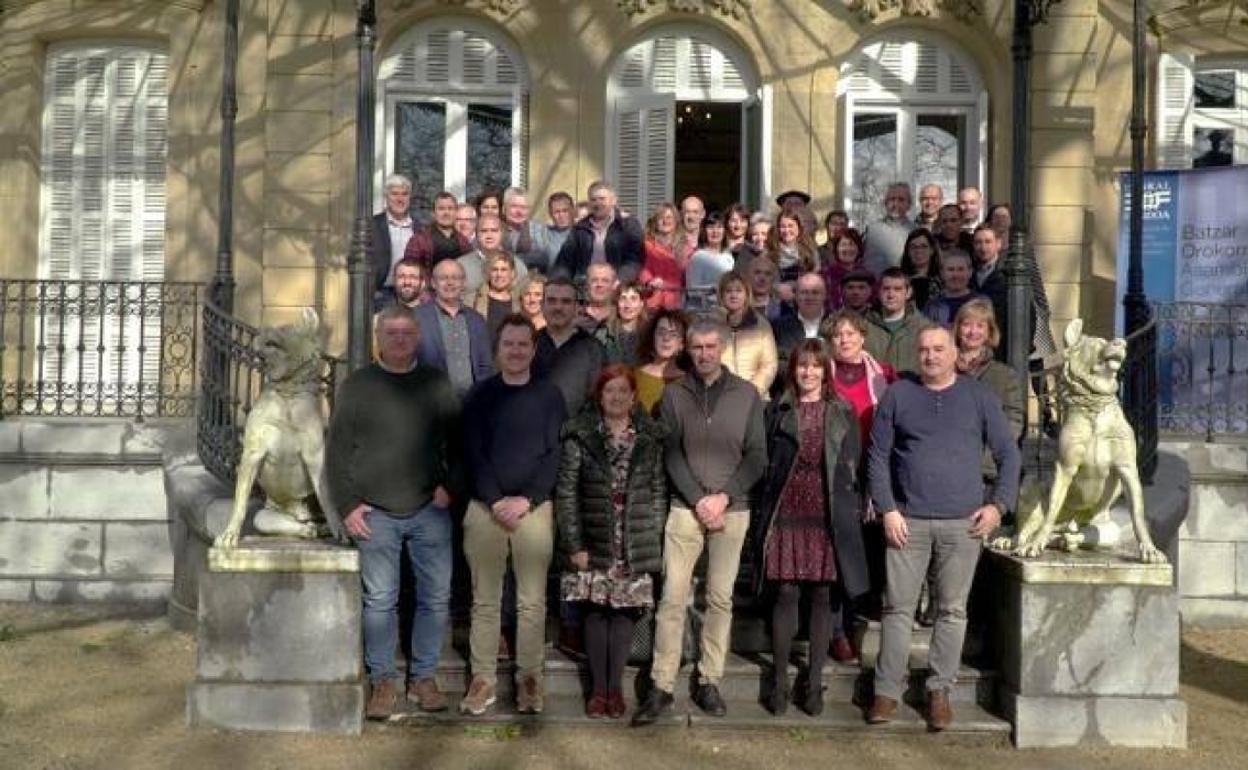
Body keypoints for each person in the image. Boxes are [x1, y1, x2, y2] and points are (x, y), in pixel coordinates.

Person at [865, 325, 1020, 731]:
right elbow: (877, 458)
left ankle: (939, 690)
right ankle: (886, 691)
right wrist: (887, 509)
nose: (930, 356)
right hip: (907, 521)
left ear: (955, 353)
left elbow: (1008, 454)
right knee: (897, 608)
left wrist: (998, 506)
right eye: (923, 350)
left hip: (962, 523)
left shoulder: (979, 397)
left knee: (951, 610)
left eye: (938, 349)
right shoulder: (899, 395)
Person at [327, 303, 463, 720]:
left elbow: (459, 445)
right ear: (379, 338)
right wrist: (348, 505)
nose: (400, 339)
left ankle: (423, 678)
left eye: (407, 332)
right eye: (392, 333)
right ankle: (383, 681)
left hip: (429, 509)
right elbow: (337, 451)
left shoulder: (436, 384)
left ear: (418, 336)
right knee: (380, 601)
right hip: (375, 514)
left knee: (435, 599)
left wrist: (450, 488)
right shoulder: (357, 385)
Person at [631, 319, 767, 725]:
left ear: (723, 347)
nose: (704, 353)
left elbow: (757, 454)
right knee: (672, 598)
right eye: (697, 347)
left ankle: (709, 679)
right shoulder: (674, 395)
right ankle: (661, 684)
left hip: (733, 506)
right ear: (688, 349)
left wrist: (724, 496)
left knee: (720, 598)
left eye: (711, 346)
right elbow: (670, 452)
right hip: (685, 507)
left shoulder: (746, 395)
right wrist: (698, 499)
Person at [460, 314, 567, 716]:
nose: (517, 351)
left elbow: (555, 452)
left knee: (532, 601)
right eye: (510, 344)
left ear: (533, 350)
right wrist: (494, 500)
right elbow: (472, 452)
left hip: (533, 510)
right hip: (484, 508)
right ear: (498, 349)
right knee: (485, 600)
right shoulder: (480, 395)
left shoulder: (549, 396)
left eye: (524, 344)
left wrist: (527, 499)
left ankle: (529, 678)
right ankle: (483, 677)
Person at [755, 339, 867, 717]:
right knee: (785, 593)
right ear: (794, 370)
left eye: (816, 366)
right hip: (786, 509)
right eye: (802, 366)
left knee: (822, 596)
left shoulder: (842, 411)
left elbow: (853, 462)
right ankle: (781, 681)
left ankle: (815, 679)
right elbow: (764, 461)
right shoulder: (778, 409)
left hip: (827, 512)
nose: (808, 373)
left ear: (825, 371)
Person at [556, 365, 668, 719]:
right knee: (595, 612)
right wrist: (574, 543)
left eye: (623, 391)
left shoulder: (650, 440)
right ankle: (597, 690)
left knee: (622, 614)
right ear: (599, 397)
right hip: (594, 536)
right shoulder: (582, 437)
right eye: (609, 391)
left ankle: (615, 688)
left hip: (633, 538)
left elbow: (658, 493)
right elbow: (566, 494)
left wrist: (652, 537)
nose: (616, 397)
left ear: (634, 397)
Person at [414, 259, 495, 397]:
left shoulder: (477, 320)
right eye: (443, 278)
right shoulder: (417, 318)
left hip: (472, 403)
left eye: (455, 278)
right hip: (433, 403)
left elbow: (485, 365)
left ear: (463, 283)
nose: (450, 283)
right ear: (433, 283)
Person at [534, 277, 605, 417]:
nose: (558, 307)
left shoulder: (592, 349)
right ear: (542, 305)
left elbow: (597, 400)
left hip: (575, 434)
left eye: (565, 301)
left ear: (576, 308)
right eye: (552, 300)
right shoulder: (527, 344)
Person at [554, 180, 645, 283]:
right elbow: (564, 262)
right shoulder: (580, 228)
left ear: (613, 201)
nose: (597, 203)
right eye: (593, 200)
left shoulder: (628, 225)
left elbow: (634, 259)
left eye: (602, 199)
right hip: (585, 287)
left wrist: (620, 281)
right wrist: (560, 283)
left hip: (617, 286)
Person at [717, 270, 778, 399]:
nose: (733, 295)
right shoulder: (712, 326)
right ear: (721, 296)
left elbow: (769, 364)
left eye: (738, 291)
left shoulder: (761, 325)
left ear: (746, 294)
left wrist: (750, 392)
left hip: (756, 399)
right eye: (728, 291)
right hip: (720, 399)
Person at [771, 272, 831, 395]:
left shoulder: (836, 325)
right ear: (796, 296)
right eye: (804, 292)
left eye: (815, 292)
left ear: (824, 295)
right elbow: (773, 362)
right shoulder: (778, 327)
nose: (809, 297)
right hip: (788, 394)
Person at [865, 268, 928, 376]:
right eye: (886, 289)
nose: (891, 295)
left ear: (908, 293)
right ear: (879, 292)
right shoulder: (863, 326)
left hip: (912, 389)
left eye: (897, 289)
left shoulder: (925, 328)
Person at [370, 174, 418, 307]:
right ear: (386, 197)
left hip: (413, 294)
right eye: (395, 194)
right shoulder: (372, 225)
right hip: (382, 295)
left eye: (404, 194)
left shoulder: (420, 228)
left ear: (409, 198)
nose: (400, 199)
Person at [458, 213, 529, 299]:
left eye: (494, 230)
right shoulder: (460, 266)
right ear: (476, 235)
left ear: (502, 233)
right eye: (484, 231)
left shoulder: (518, 266)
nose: (489, 235)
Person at [634, 308, 689, 414]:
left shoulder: (689, 381)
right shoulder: (635, 377)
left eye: (673, 334)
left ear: (681, 344)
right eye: (661, 332)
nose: (666, 338)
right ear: (652, 337)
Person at [969, 224, 1009, 361]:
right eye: (978, 242)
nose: (983, 247)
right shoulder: (968, 274)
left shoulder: (1010, 275)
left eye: (988, 242)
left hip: (1002, 350)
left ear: (998, 244)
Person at [404, 191, 467, 272]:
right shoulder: (419, 240)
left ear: (456, 212)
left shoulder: (464, 241)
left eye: (450, 208)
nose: (446, 213)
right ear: (433, 213)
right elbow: (409, 271)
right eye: (441, 209)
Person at [685, 211, 734, 311]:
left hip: (724, 311)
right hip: (702, 312)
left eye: (719, 227)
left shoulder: (728, 256)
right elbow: (692, 290)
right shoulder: (698, 257)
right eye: (711, 227)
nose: (715, 232)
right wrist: (714, 289)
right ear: (704, 231)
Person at [862, 182, 914, 276]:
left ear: (909, 204)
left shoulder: (916, 232)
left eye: (901, 200)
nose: (895, 204)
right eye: (892, 199)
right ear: (885, 203)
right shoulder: (871, 230)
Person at [640, 202, 684, 311]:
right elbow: (641, 267)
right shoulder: (646, 245)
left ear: (676, 221)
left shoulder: (684, 246)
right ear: (655, 222)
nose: (665, 221)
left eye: (669, 217)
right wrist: (649, 281)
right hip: (652, 300)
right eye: (661, 218)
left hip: (675, 302)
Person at [922, 251, 983, 328]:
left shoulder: (981, 302)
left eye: (960, 269)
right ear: (942, 273)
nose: (955, 275)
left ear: (970, 272)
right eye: (950, 269)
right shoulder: (932, 306)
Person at [472, 251, 524, 343]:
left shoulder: (520, 301)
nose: (499, 275)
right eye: (495, 269)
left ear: (512, 273)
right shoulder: (473, 298)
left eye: (503, 270)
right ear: (488, 273)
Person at [596, 281, 646, 366]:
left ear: (641, 304)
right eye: (623, 298)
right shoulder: (604, 331)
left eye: (633, 299)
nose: (627, 305)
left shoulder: (650, 333)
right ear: (617, 303)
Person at [502, 187, 552, 274]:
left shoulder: (538, 230)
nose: (519, 211)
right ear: (504, 208)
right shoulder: (494, 229)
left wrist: (508, 260)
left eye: (523, 207)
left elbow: (543, 257)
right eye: (514, 206)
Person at [766, 210, 818, 289]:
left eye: (790, 226)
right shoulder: (770, 252)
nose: (786, 230)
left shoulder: (809, 251)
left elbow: (815, 277)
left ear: (799, 228)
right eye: (783, 226)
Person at [819, 229, 866, 312]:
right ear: (836, 249)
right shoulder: (826, 275)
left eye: (851, 244)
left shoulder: (866, 275)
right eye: (843, 245)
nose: (848, 249)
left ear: (858, 249)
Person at [900, 228, 942, 310]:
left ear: (932, 250)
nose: (918, 251)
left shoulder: (943, 280)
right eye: (913, 247)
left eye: (924, 246)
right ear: (908, 251)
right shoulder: (900, 281)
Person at [747, 254, 792, 324]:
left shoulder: (784, 312)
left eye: (768, 274)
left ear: (773, 279)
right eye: (757, 272)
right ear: (748, 276)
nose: (762, 278)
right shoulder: (735, 307)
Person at [579, 262, 619, 333]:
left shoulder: (621, 316)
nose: (599, 285)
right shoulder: (574, 316)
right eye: (594, 280)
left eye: (605, 281)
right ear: (586, 285)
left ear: (614, 285)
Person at [543, 192, 577, 272]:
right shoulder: (544, 235)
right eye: (557, 212)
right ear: (550, 214)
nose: (561, 216)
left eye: (565, 211)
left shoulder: (583, 233)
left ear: (572, 211)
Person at [675, 195, 706, 267]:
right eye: (687, 212)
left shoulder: (710, 240)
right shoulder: (673, 241)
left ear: (703, 214)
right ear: (681, 214)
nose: (691, 217)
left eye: (695, 212)